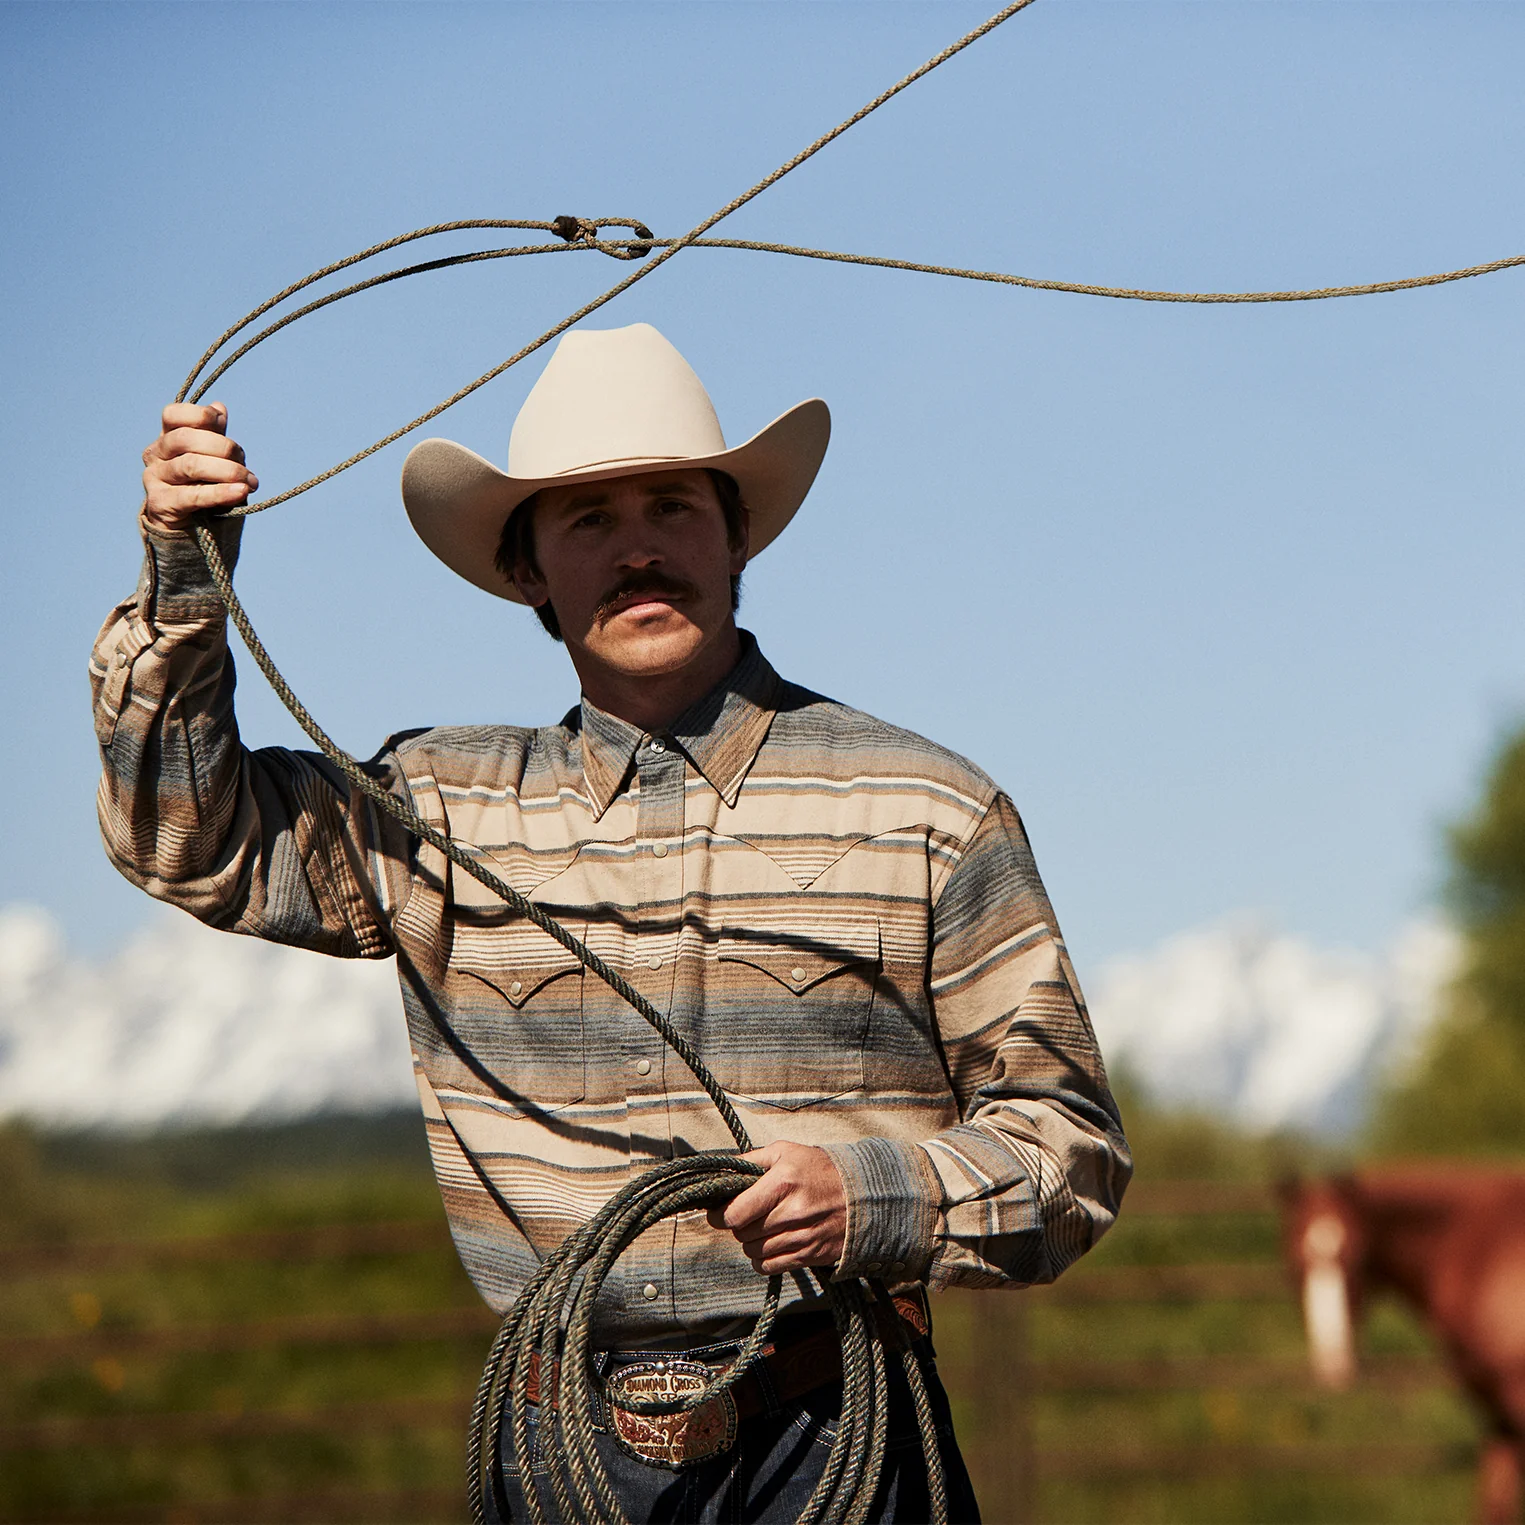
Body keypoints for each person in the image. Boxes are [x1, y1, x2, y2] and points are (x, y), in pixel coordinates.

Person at [94, 322, 1131, 1522]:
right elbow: (186, 832)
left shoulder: (926, 808)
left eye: (673, 506)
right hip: (556, 1446)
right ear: (529, 568)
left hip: (841, 1424)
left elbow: (1071, 1150)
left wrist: (876, 1194)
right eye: (588, 516)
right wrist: (182, 574)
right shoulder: (437, 807)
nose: (639, 547)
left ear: (736, 532)